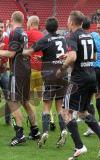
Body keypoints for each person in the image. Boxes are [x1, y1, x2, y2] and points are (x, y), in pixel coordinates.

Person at [56, 11, 100, 159]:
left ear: (72, 22)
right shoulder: (89, 35)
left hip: (78, 79)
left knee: (66, 112)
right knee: (82, 112)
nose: (67, 23)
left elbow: (74, 56)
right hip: (91, 76)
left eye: (68, 20)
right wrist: (69, 56)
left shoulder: (72, 36)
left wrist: (62, 68)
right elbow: (92, 56)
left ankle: (79, 146)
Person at [0, 11, 40, 146]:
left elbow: (11, 53)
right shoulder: (24, 33)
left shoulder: (15, 33)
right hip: (25, 68)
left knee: (12, 101)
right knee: (25, 101)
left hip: (18, 70)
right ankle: (35, 131)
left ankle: (19, 134)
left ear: (11, 19)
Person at [23, 17, 68, 148]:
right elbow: (57, 54)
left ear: (46, 28)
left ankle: (45, 132)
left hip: (50, 75)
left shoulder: (45, 39)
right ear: (57, 27)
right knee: (60, 106)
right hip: (63, 73)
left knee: (46, 106)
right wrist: (43, 57)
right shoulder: (62, 38)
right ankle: (64, 130)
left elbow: (29, 51)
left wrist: (18, 52)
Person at [82, 18, 100, 136]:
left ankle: (92, 127)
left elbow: (92, 55)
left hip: (96, 68)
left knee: (89, 96)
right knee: (99, 94)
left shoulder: (85, 36)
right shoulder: (97, 35)